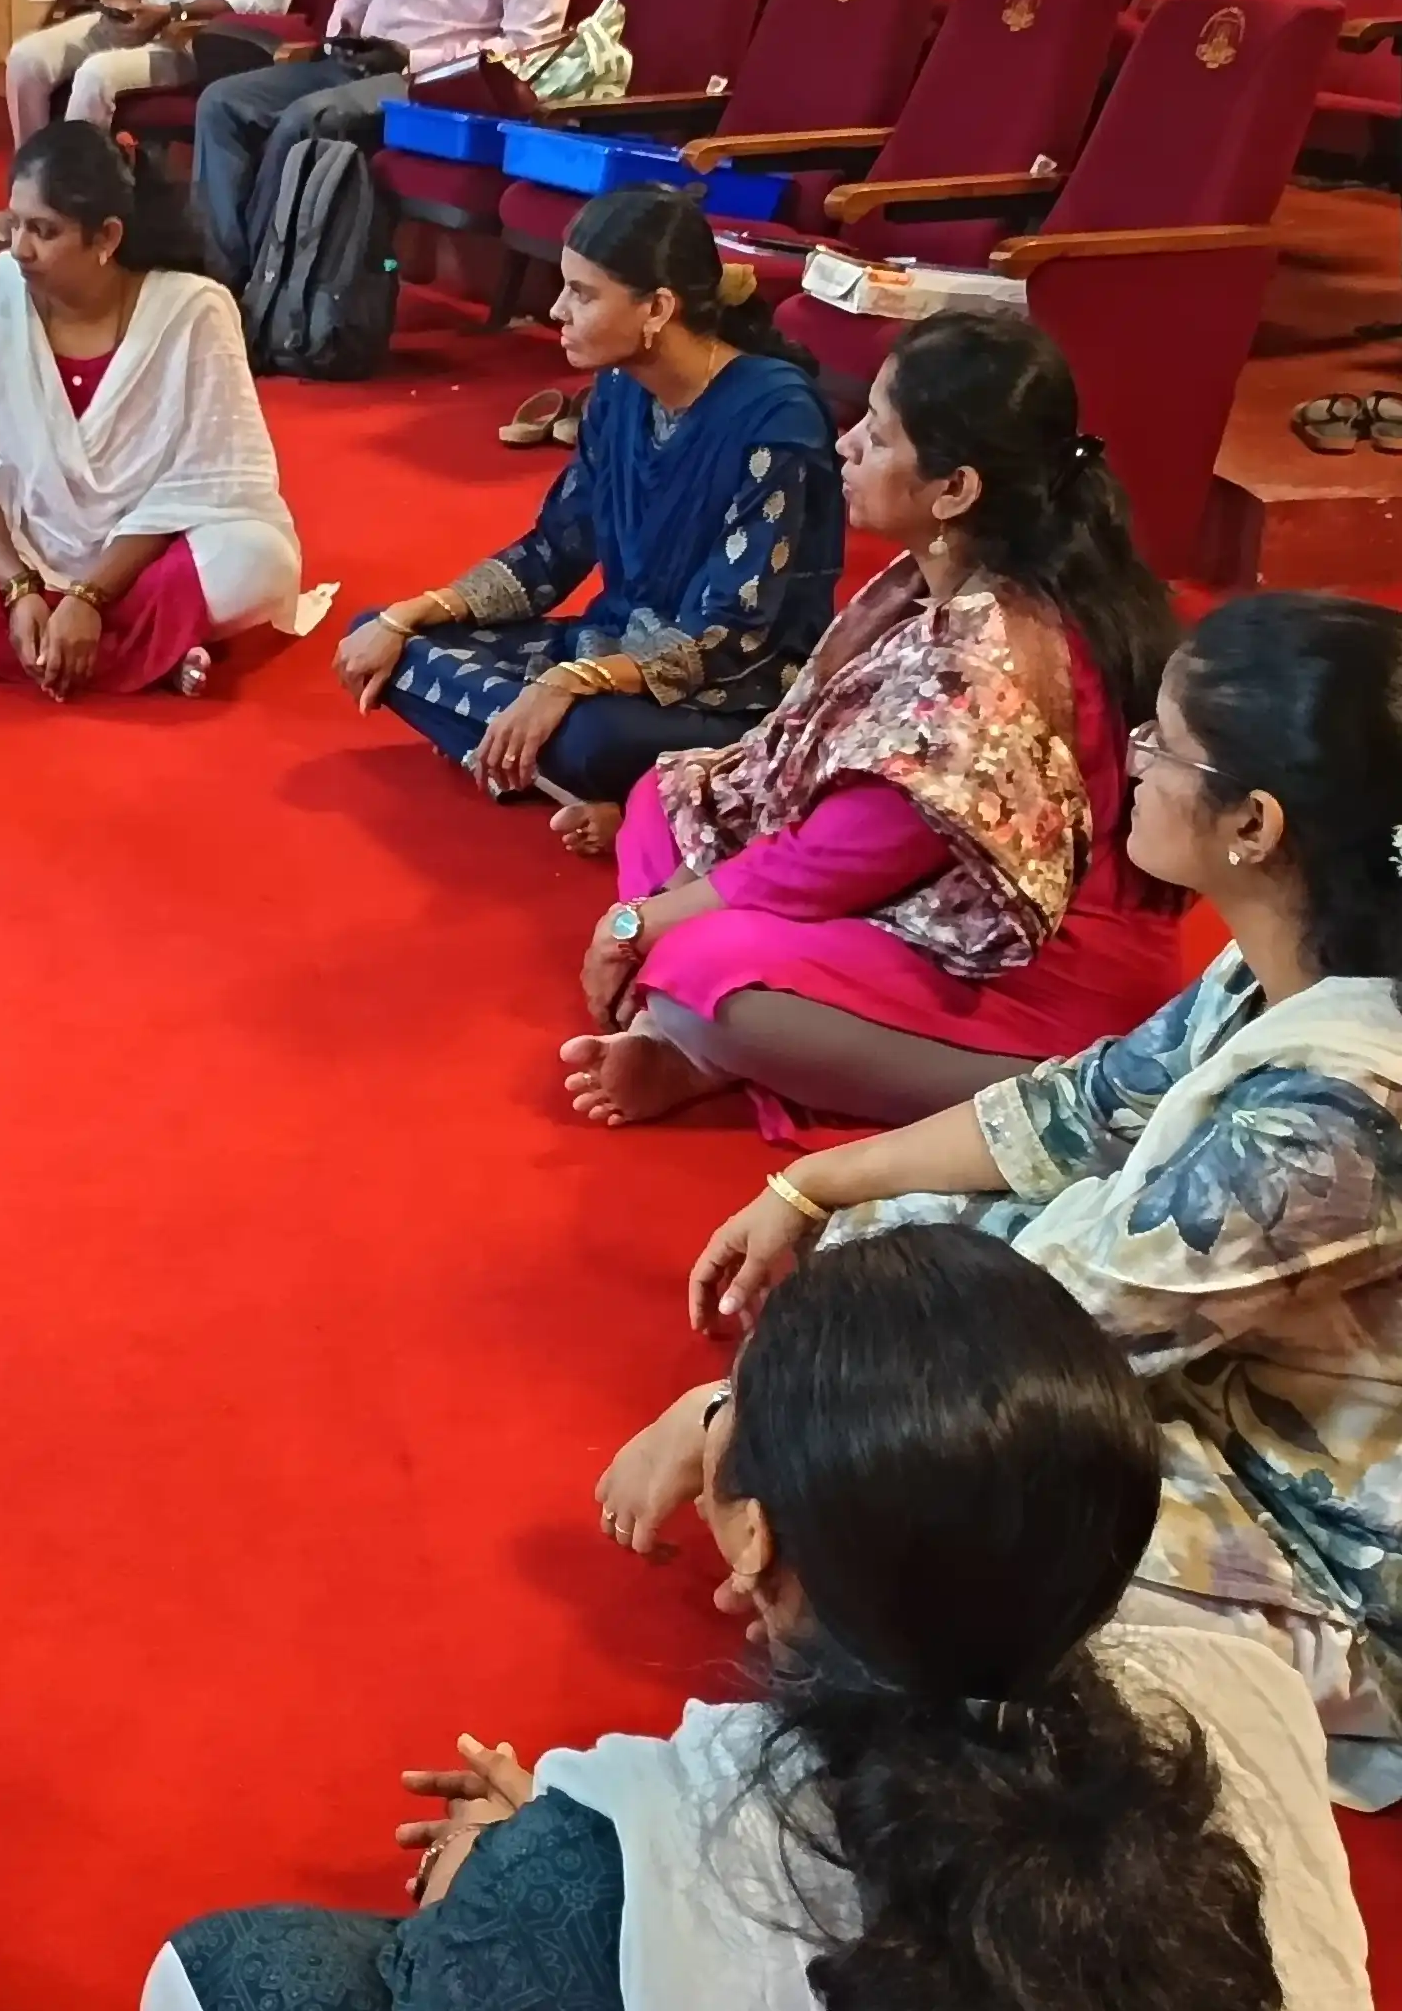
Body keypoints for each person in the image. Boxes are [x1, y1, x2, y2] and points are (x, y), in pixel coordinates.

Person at [149, 1227, 1379, 2011]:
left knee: (237, 1978)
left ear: (751, 1540)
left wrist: (496, 1869)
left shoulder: (640, 1843)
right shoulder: (1244, 1713)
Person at [597, 592, 1402, 1810]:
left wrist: (734, 1425)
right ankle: (824, 1539)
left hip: (1330, 1547)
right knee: (878, 1239)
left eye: (1163, 744)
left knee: (919, 1505)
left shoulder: (1337, 1115)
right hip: (1197, 1353)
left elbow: (1057, 1325)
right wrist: (808, 1181)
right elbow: (1077, 1106)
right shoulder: (1280, 961)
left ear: (1252, 824)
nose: (1131, 760)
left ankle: (840, 1588)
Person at [558, 312, 1188, 1135]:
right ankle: (688, 1036)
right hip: (891, 882)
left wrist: (639, 922)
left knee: (694, 969)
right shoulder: (959, 574)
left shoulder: (981, 669)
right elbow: (781, 776)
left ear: (955, 490)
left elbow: (828, 865)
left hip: (1021, 977)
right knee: (662, 798)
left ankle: (690, 1040)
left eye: (879, 436)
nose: (845, 443)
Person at [336, 186, 840, 831]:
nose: (556, 309)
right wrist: (408, 615)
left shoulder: (777, 418)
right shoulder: (619, 390)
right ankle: (555, 767)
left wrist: (568, 683)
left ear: (657, 308)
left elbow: (728, 637)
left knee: (589, 738)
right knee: (380, 638)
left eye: (582, 293)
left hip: (731, 693)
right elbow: (554, 551)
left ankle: (544, 759)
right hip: (609, 651)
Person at [0, 124, 303, 701]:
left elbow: (210, 483)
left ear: (106, 236)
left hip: (147, 564)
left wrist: (90, 596)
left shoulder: (194, 310)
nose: (19, 248)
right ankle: (149, 652)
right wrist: (18, 588)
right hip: (21, 556)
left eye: (44, 230)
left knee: (259, 558)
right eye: (14, 224)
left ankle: (30, 650)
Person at [191, 0, 576, 299]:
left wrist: (410, 58)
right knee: (221, 103)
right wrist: (342, 34)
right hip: (358, 60)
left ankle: (263, 294)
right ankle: (225, 281)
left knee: (309, 119)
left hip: (431, 82)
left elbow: (527, 49)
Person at [0, 0, 306, 255]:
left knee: (95, 76)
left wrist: (174, 12)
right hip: (145, 15)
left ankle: (66, 219)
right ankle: (25, 204)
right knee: (26, 59)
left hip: (196, 35)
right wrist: (124, 0)